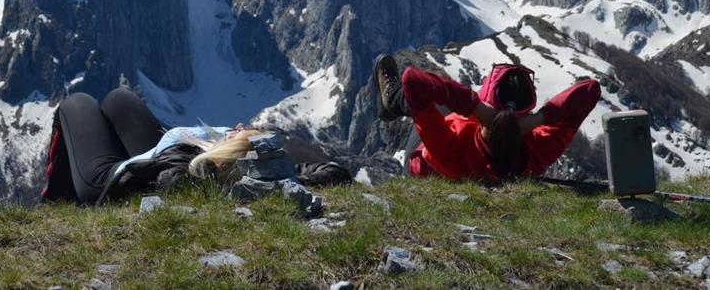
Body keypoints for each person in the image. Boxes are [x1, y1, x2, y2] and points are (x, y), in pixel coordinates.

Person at [41, 87, 351, 205]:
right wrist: (290, 181)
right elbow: (336, 172)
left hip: (112, 180)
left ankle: (57, 202)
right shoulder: (266, 168)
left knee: (76, 103)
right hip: (159, 152)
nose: (238, 126)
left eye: (240, 133)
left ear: (231, 153)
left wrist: (207, 171)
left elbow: (171, 183)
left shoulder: (194, 168)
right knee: (119, 99)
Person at [373, 55, 601, 181]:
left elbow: (412, 80)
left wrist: (474, 107)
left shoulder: (453, 149)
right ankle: (393, 102)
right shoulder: (537, 149)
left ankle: (391, 99)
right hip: (459, 161)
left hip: (424, 168)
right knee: (438, 99)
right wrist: (538, 119)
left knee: (436, 97)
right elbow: (590, 90)